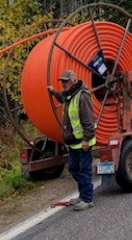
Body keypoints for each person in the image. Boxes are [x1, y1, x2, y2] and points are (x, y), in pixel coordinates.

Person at [47, 70, 96, 211]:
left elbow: (89, 121)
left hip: (83, 142)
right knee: (74, 169)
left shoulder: (82, 96)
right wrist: (53, 91)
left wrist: (86, 140)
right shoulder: (69, 96)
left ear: (74, 80)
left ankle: (87, 199)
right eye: (62, 81)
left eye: (66, 81)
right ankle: (82, 195)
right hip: (73, 142)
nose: (63, 84)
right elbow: (62, 98)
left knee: (84, 171)